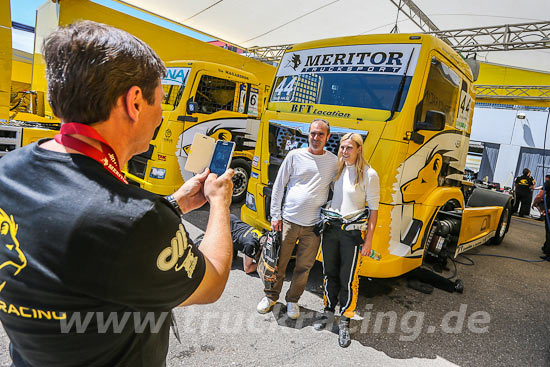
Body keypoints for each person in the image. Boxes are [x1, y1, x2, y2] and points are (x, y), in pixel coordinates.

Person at [0, 21, 235, 367]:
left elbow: (80, 241)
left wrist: (174, 204)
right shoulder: (136, 220)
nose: (160, 116)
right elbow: (211, 280)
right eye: (160, 99)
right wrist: (219, 203)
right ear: (135, 102)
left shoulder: (10, 168)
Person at [256, 119, 338, 319]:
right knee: (278, 263)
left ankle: (293, 300)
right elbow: (279, 186)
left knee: (304, 267)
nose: (316, 138)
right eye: (313, 133)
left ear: (327, 137)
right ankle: (271, 296)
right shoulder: (295, 155)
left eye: (320, 134)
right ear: (308, 135)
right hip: (288, 221)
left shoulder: (334, 161)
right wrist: (275, 215)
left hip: (314, 226)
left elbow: (337, 190)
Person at [312, 133, 380, 348]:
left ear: (359, 149)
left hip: (352, 234)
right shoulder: (338, 169)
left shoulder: (370, 174)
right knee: (328, 272)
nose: (344, 151)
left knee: (348, 278)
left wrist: (368, 241)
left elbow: (374, 211)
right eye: (342, 147)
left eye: (349, 148)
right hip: (331, 229)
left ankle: (345, 321)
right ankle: (328, 311)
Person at [195, 214, 262, 273]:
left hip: (229, 219)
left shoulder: (260, 235)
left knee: (232, 256)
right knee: (221, 260)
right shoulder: (251, 245)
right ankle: (201, 246)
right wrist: (262, 266)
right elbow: (247, 269)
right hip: (222, 228)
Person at [540, 175, 550, 259]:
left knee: (549, 231)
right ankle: (546, 248)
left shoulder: (548, 183)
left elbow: (542, 193)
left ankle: (548, 253)